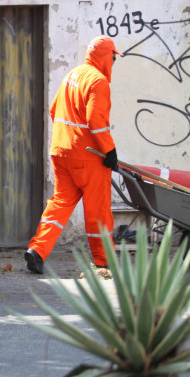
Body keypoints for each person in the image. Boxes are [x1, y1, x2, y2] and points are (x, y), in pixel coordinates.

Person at [25, 36, 122, 274]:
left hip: (61, 152)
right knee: (98, 209)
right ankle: (104, 261)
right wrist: (109, 150)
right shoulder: (98, 81)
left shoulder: (73, 75)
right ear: (105, 57)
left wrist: (67, 139)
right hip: (88, 156)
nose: (114, 61)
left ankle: (37, 250)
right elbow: (95, 120)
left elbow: (53, 109)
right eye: (113, 57)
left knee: (60, 203)